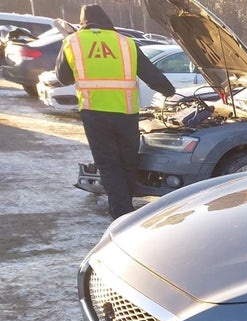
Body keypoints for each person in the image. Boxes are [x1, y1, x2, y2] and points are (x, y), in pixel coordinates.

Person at [55, 5, 175, 219]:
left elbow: (63, 78)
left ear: (83, 22)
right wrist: (170, 91)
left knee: (109, 166)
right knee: (128, 162)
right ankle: (125, 210)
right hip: (126, 113)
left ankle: (122, 216)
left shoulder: (72, 43)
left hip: (95, 114)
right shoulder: (125, 42)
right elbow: (151, 74)